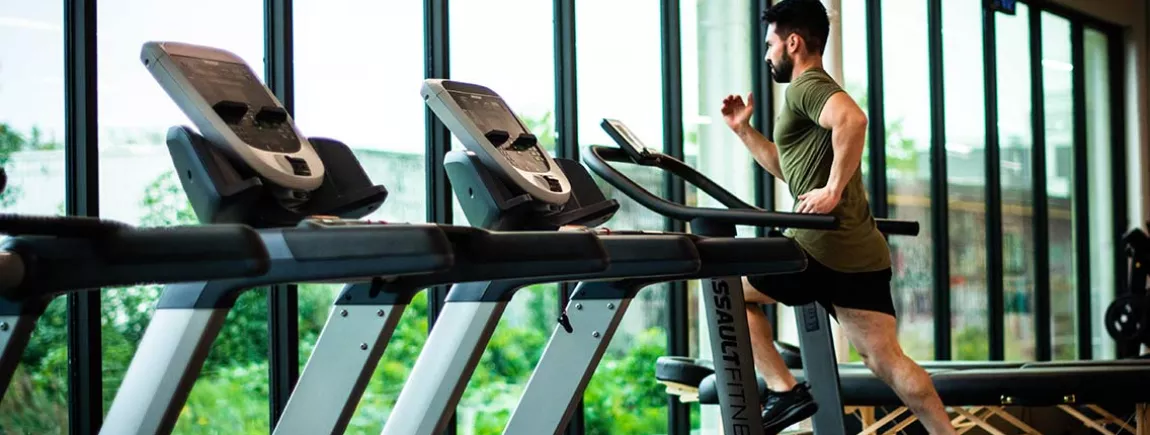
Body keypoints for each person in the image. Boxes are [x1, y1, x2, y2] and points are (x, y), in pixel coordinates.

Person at [719, 1, 957, 433]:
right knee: (886, 360)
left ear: (793, 43)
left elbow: (853, 119)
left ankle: (784, 391)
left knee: (730, 290)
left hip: (817, 246)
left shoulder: (806, 85)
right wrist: (743, 130)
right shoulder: (809, 91)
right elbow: (785, 166)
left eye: (771, 44)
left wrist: (831, 191)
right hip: (860, 252)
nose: (768, 54)